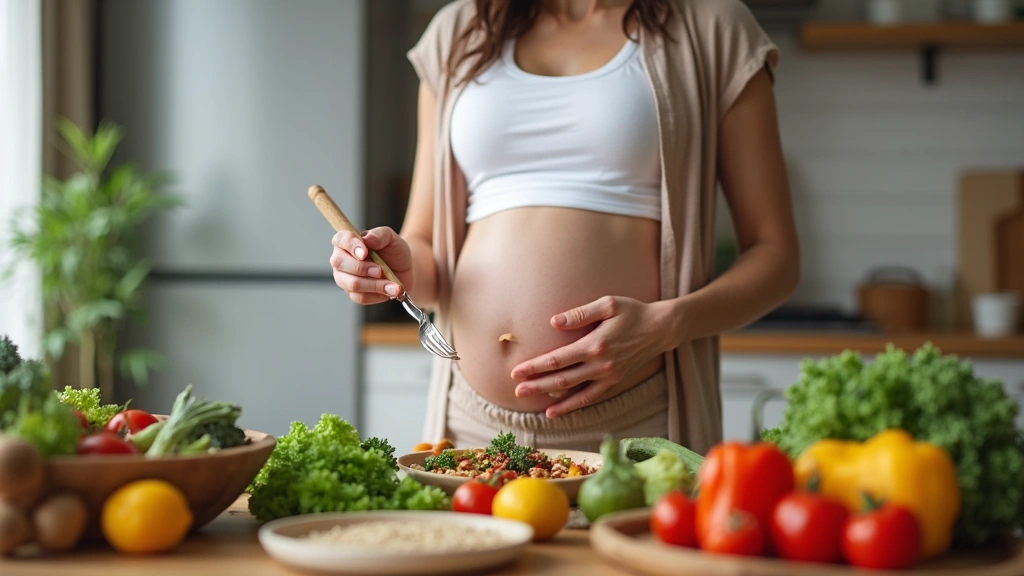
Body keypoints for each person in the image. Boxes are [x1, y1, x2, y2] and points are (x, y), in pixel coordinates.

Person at [329, 0, 799, 455]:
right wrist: (397, 270)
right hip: (470, 426)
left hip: (635, 428)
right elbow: (427, 247)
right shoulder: (460, 31)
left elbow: (776, 255)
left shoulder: (713, 26)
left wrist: (668, 326)